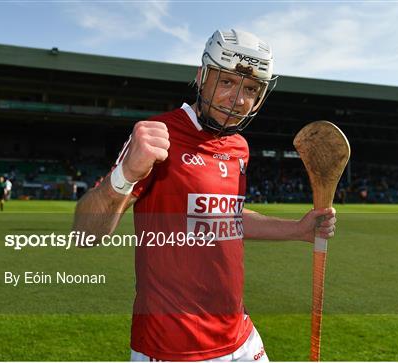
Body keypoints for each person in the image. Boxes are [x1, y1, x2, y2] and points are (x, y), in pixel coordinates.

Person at [73, 29, 337, 362]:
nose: (238, 99)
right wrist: (124, 176)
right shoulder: (159, 135)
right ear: (202, 76)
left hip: (239, 334)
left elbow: (228, 218)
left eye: (251, 89)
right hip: (173, 348)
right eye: (227, 82)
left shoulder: (239, 147)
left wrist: (298, 230)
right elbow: (84, 235)